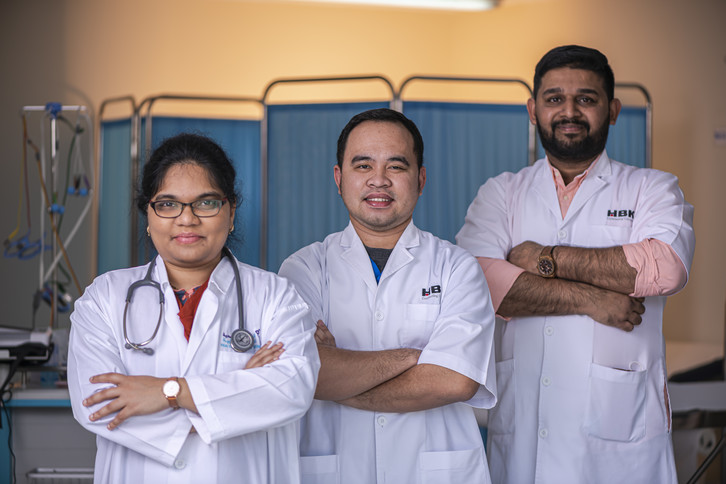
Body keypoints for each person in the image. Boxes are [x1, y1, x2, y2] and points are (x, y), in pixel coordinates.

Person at [456, 45, 696, 484]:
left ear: (613, 110)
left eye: (586, 98)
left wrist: (541, 258)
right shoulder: (502, 194)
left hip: (619, 445)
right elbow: (480, 284)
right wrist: (592, 298)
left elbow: (664, 267)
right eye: (554, 99)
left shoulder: (653, 189)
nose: (569, 111)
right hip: (524, 436)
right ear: (533, 110)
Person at [68, 133, 319, 483]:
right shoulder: (104, 298)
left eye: (206, 203)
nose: (186, 219)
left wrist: (166, 392)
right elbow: (98, 407)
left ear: (230, 212)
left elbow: (291, 390)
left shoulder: (276, 296)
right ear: (148, 214)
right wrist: (241, 390)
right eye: (168, 204)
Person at [279, 108, 497, 484]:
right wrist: (414, 358)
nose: (378, 181)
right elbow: (301, 374)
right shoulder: (303, 270)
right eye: (362, 166)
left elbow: (454, 381)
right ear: (339, 177)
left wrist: (336, 374)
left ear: (420, 178)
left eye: (396, 166)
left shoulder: (457, 267)